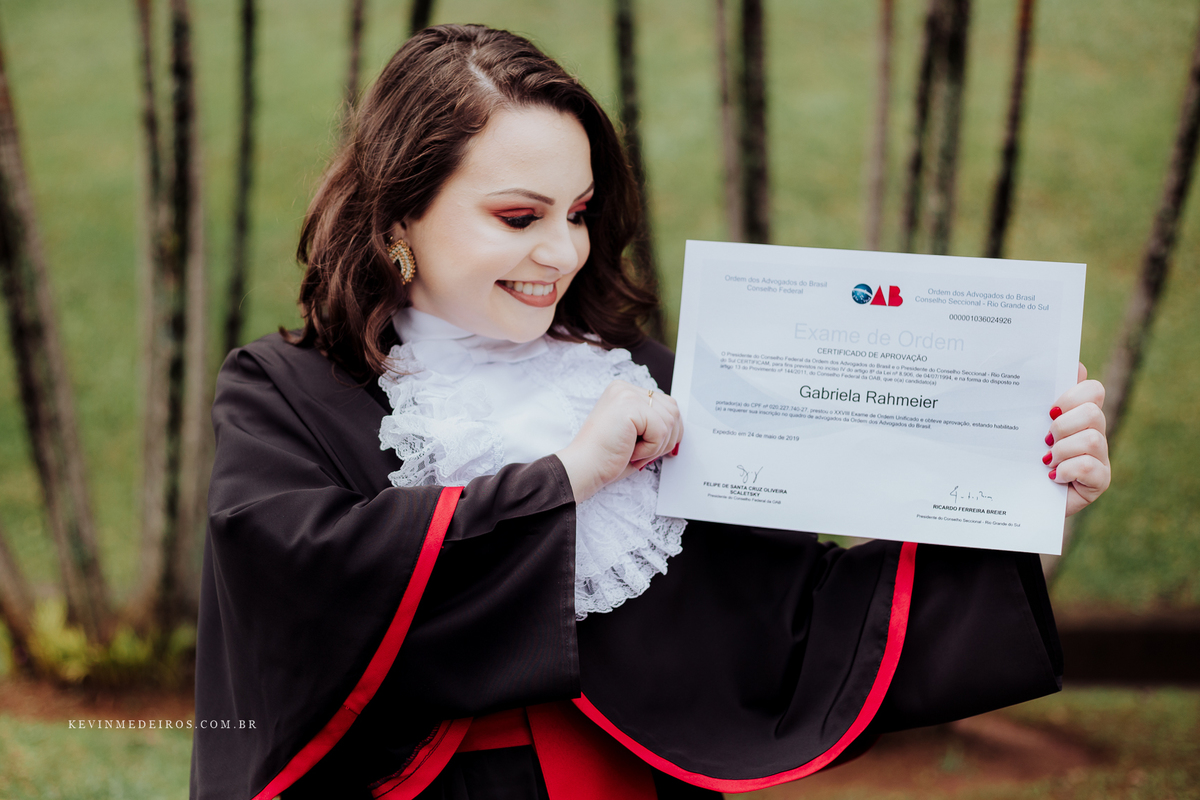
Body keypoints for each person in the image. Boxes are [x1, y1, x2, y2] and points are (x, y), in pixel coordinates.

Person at [189, 24, 1111, 800]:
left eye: (580, 212)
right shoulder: (285, 394)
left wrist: (1022, 505)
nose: (561, 252)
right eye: (518, 217)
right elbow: (300, 581)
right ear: (399, 218)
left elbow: (803, 616)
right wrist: (563, 481)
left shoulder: (649, 387)